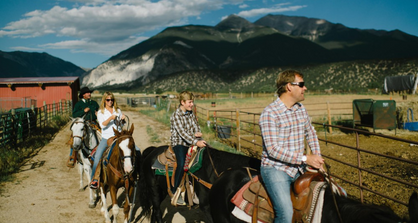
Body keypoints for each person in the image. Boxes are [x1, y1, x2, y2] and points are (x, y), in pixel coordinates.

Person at [258, 70, 324, 223]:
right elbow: (273, 150)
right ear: (289, 87)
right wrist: (305, 158)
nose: (305, 88)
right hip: (276, 169)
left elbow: (311, 133)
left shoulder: (300, 109)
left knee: (333, 196)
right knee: (286, 214)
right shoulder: (270, 113)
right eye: (301, 84)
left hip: (298, 167)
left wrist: (317, 158)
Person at [170, 91, 206, 205]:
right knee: (181, 163)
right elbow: (182, 134)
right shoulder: (176, 115)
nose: (192, 104)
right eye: (189, 102)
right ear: (182, 102)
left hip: (191, 142)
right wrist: (195, 140)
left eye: (192, 102)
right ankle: (174, 190)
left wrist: (197, 134)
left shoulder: (191, 114)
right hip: (179, 143)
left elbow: (196, 127)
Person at [89, 91, 126, 189]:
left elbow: (121, 125)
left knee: (135, 150)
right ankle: (94, 180)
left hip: (118, 136)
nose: (110, 102)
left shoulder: (117, 110)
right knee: (97, 157)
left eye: (112, 100)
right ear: (104, 101)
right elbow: (102, 125)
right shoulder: (101, 112)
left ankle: (134, 174)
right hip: (107, 138)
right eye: (108, 100)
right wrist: (110, 118)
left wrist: (123, 120)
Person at [67, 86, 100, 168]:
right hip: (82, 124)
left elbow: (100, 112)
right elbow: (74, 115)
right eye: (87, 93)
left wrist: (98, 114)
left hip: (93, 124)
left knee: (103, 135)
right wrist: (83, 111)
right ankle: (72, 156)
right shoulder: (79, 104)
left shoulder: (94, 103)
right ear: (83, 95)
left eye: (89, 93)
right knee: (74, 138)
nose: (89, 94)